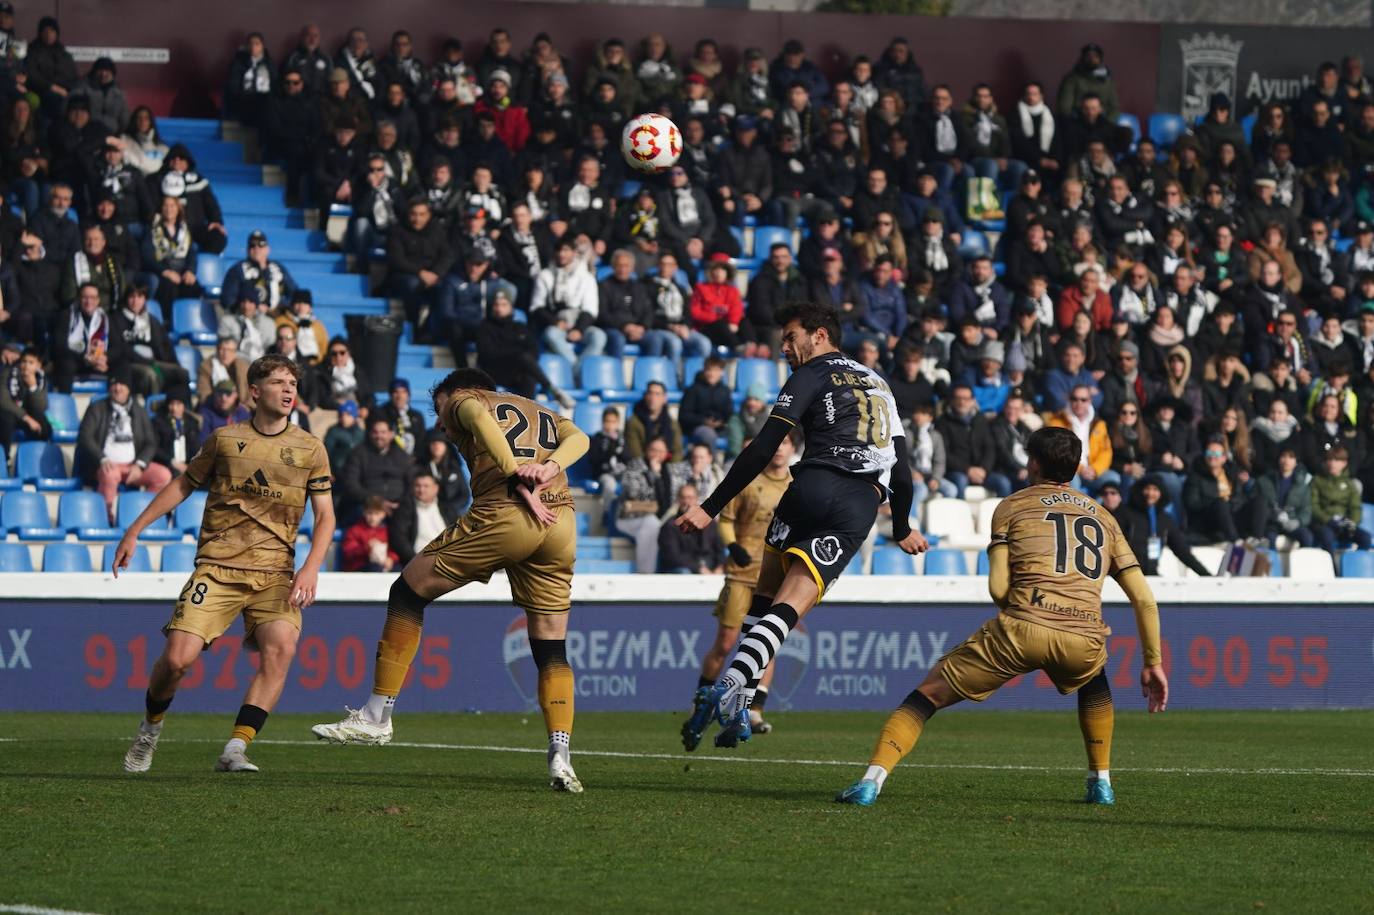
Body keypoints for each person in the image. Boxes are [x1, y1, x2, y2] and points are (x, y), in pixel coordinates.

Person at [836, 426, 1166, 807]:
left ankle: (871, 782)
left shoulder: (1011, 506)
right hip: (1083, 636)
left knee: (925, 697)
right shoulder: (1106, 519)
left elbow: (997, 587)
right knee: (1094, 680)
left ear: (1034, 463)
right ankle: (1101, 782)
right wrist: (1152, 662)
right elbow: (1144, 599)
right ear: (1075, 469)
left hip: (1021, 627)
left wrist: (1033, 610)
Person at [311, 368, 592, 794]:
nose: (441, 422)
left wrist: (519, 478)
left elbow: (477, 420)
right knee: (551, 646)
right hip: (563, 524)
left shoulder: (466, 400)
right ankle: (561, 755)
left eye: (439, 407)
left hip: (510, 513)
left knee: (407, 590)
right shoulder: (539, 411)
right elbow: (582, 439)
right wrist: (549, 468)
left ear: (458, 392)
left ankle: (376, 716)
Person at [678, 302, 928, 749]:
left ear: (819, 335)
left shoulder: (811, 375)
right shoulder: (879, 384)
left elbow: (761, 450)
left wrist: (710, 507)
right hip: (856, 504)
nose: (785, 349)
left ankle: (736, 697)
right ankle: (736, 688)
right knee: (787, 610)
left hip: (806, 490)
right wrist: (903, 526)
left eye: (791, 338)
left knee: (764, 603)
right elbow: (903, 472)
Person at [116, 353, 335, 775]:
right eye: (279, 382)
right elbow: (183, 483)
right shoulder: (223, 439)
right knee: (177, 660)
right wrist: (135, 529)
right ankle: (150, 728)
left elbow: (325, 516)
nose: (289, 390)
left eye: (293, 383)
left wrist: (311, 567)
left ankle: (236, 747)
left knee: (282, 648)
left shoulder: (311, 449)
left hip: (275, 572)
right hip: (217, 568)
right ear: (254, 391)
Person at [690, 432, 795, 735]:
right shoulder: (747, 479)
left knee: (766, 645)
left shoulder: (797, 483)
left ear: (792, 448)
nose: (778, 448)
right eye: (776, 442)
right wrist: (732, 546)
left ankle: (754, 711)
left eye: (785, 442)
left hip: (774, 575)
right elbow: (726, 520)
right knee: (725, 643)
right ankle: (701, 700)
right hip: (742, 573)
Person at [1117, 475, 1211, 576]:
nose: (1150, 493)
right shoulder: (1125, 514)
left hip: (1151, 574)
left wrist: (1206, 575)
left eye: (1155, 489)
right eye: (1147, 489)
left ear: (1161, 493)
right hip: (1126, 574)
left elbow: (1182, 551)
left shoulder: (1165, 519)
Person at [936, 383, 1010, 497]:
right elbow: (944, 454)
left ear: (972, 401)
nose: (962, 402)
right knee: (960, 481)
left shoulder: (980, 420)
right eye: (958, 398)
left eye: (966, 398)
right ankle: (960, 514)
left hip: (982, 472)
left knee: (1003, 483)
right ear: (952, 400)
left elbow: (990, 448)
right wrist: (967, 470)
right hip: (957, 471)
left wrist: (984, 470)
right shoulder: (943, 422)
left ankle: (1004, 515)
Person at [338, 415, 414, 523]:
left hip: (398, 506)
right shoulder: (358, 454)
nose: (379, 436)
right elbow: (350, 483)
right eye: (375, 432)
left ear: (391, 434)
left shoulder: (402, 456)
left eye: (383, 432)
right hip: (367, 505)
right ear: (370, 434)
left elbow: (412, 482)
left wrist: (402, 502)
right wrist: (373, 500)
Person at [1309, 446, 1372, 553]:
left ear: (1344, 463)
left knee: (1365, 538)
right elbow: (1313, 506)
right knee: (1326, 537)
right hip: (1324, 524)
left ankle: (1351, 564)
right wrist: (1328, 519)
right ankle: (1333, 568)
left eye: (1337, 460)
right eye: (1330, 459)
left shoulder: (1350, 484)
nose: (1333, 463)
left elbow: (1355, 507)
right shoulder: (1317, 481)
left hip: (1344, 524)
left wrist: (1352, 522)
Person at [389, 470, 459, 566]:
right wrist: (415, 561)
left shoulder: (447, 509)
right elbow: (399, 539)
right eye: (418, 486)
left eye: (426, 486)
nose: (421, 490)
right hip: (417, 562)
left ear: (435, 488)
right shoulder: (404, 509)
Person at [0, 347, 50, 459]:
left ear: (38, 365)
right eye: (24, 361)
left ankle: (37, 458)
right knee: (5, 418)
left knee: (44, 425)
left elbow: (41, 408)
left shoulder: (41, 379)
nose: (26, 366)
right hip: (12, 416)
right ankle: (4, 459)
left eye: (31, 363)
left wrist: (33, 387)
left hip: (29, 417)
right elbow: (3, 401)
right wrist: (26, 418)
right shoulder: (7, 374)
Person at [678, 356, 733, 447]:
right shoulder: (693, 389)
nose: (711, 374)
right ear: (704, 371)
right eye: (709, 370)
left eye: (715, 370)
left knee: (736, 435)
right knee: (709, 435)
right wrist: (703, 421)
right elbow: (684, 415)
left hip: (720, 428)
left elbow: (728, 413)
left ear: (721, 372)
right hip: (697, 427)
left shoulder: (725, 391)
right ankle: (711, 461)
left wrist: (720, 421)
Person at [626, 380, 683, 460]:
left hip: (667, 466)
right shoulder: (633, 422)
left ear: (664, 398)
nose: (653, 398)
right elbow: (635, 453)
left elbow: (677, 451)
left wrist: (668, 469)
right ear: (645, 396)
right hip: (642, 466)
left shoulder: (672, 424)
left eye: (657, 394)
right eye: (650, 393)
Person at [152, 385, 201, 478]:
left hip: (188, 465)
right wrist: (171, 461)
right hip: (167, 465)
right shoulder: (158, 423)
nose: (174, 408)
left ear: (184, 406)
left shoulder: (191, 423)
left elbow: (196, 448)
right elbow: (155, 449)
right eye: (171, 404)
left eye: (178, 404)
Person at [342, 495, 400, 572]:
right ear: (364, 513)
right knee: (375, 569)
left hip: (383, 565)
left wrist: (391, 559)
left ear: (383, 514)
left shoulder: (387, 531)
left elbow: (395, 549)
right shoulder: (354, 531)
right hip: (359, 567)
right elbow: (349, 552)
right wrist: (367, 548)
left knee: (398, 570)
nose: (373, 517)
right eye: (370, 513)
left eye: (376, 514)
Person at [324, 401, 364, 485]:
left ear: (354, 416)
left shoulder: (361, 433)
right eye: (341, 415)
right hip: (338, 473)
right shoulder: (334, 432)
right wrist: (328, 472)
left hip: (357, 472)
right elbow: (326, 452)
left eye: (348, 415)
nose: (344, 418)